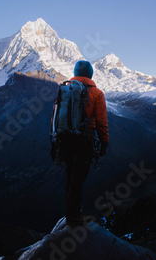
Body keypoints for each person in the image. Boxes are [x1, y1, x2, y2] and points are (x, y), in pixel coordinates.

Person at [60, 60, 109, 225]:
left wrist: (54, 142)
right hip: (84, 141)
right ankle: (74, 217)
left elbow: (55, 117)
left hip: (64, 140)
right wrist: (104, 143)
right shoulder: (97, 93)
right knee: (78, 178)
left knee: (69, 175)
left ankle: (70, 214)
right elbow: (102, 122)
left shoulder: (65, 90)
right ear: (90, 74)